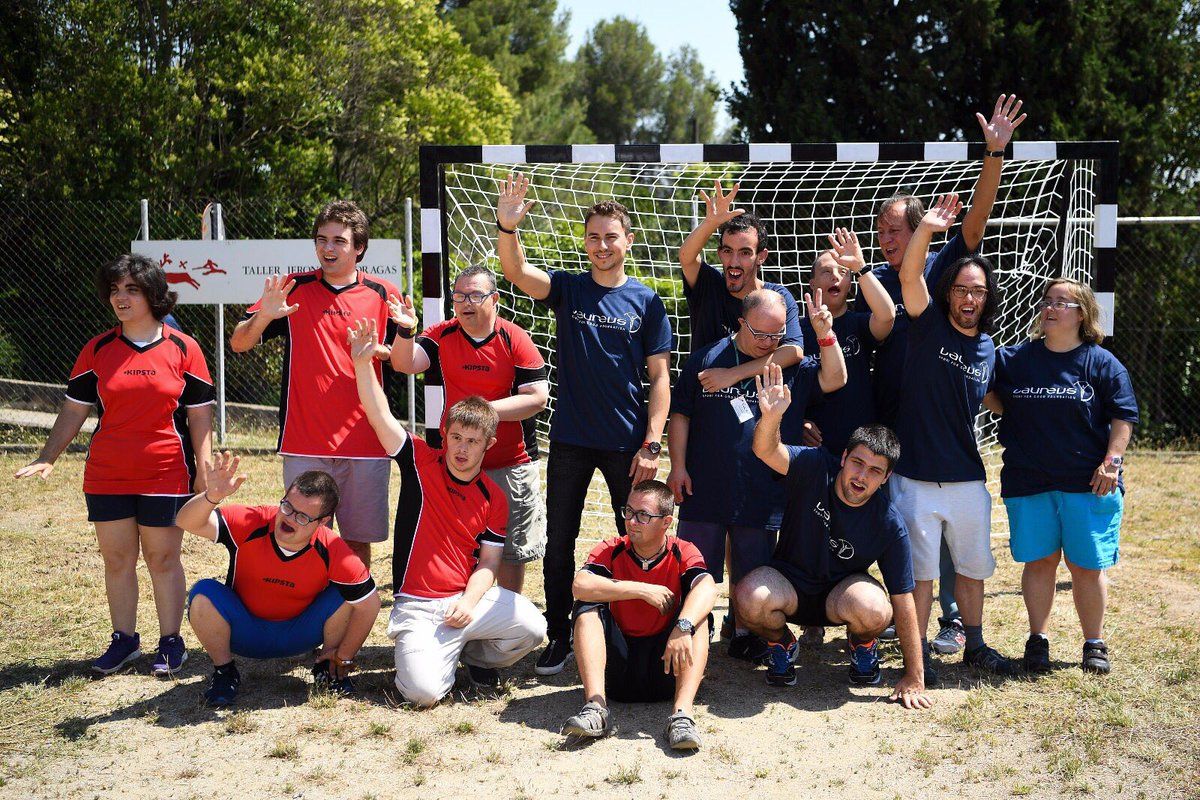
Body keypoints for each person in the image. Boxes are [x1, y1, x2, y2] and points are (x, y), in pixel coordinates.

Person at [856, 95, 1027, 653]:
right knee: (911, 537)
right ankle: (894, 622)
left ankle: (959, 626)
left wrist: (993, 154)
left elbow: (976, 219)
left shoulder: (941, 274)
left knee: (956, 522)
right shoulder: (875, 277)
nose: (886, 240)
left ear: (918, 230)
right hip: (891, 420)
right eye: (880, 232)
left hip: (944, 430)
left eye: (894, 231)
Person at [495, 173, 673, 676]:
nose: (601, 245)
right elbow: (518, 273)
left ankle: (629, 630)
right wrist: (508, 229)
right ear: (585, 241)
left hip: (627, 445)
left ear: (627, 241)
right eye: (593, 236)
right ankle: (559, 635)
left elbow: (660, 380)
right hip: (571, 440)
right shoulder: (569, 289)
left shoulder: (646, 301)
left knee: (636, 537)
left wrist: (652, 443)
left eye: (610, 236)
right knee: (560, 541)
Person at [15, 254, 214, 677]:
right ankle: (124, 641)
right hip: (107, 474)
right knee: (117, 560)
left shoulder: (184, 348)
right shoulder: (98, 348)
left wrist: (204, 466)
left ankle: (170, 642)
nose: (120, 298)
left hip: (165, 471)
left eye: (132, 289)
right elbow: (74, 410)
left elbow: (199, 415)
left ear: (153, 295)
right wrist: (46, 457)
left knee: (163, 559)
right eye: (114, 290)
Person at [350, 318, 546, 705]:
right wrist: (361, 365)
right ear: (445, 433)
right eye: (455, 437)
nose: (461, 448)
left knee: (532, 627)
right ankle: (435, 657)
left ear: (488, 445)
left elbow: (489, 563)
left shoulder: (494, 496)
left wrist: (469, 603)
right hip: (420, 604)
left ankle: (470, 654)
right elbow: (379, 415)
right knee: (422, 695)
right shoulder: (420, 463)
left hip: (465, 601)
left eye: (472, 441)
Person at [667, 289, 845, 662]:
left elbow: (835, 379)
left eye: (776, 335)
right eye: (759, 334)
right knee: (695, 569)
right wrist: (678, 466)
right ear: (740, 323)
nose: (768, 343)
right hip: (704, 489)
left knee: (752, 576)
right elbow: (681, 413)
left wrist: (825, 335)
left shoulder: (790, 366)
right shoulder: (708, 358)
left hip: (762, 492)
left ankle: (746, 633)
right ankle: (692, 628)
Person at [738, 371, 930, 710]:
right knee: (748, 596)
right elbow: (766, 450)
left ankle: (861, 644)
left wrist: (914, 675)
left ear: (885, 479)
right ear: (843, 459)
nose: (862, 476)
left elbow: (903, 598)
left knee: (875, 609)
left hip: (841, 596)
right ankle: (782, 644)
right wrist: (772, 418)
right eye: (857, 463)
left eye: (874, 471)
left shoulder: (888, 523)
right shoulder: (814, 466)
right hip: (790, 585)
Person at [229, 200, 399, 569]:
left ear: (360, 248)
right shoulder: (294, 288)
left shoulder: (384, 294)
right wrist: (263, 318)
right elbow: (238, 343)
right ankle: (307, 614)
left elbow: (404, 360)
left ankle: (354, 615)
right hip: (305, 440)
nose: (328, 248)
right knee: (302, 538)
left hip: (366, 441)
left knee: (356, 545)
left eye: (339, 240)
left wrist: (383, 352)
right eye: (321, 240)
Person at [890, 193, 1017, 680]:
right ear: (949, 294)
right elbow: (909, 277)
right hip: (916, 478)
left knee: (971, 568)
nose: (969, 298)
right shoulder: (927, 327)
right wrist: (926, 230)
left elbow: (1000, 400)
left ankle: (976, 645)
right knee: (921, 575)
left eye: (978, 291)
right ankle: (917, 659)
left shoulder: (989, 349)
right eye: (962, 289)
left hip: (967, 477)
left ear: (987, 299)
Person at [984, 279, 1138, 674]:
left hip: (1087, 484)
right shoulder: (1015, 359)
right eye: (1047, 301)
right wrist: (1007, 409)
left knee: (1086, 567)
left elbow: (1124, 415)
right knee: (1039, 562)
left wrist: (1112, 462)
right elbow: (989, 392)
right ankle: (1038, 639)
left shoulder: (1101, 362)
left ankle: (1094, 643)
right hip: (1029, 481)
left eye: (1062, 303)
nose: (1051, 308)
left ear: (1082, 313)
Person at [388, 265, 549, 595]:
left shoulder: (514, 338)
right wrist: (405, 331)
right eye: (459, 295)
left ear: (495, 299)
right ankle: (461, 615)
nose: (466, 302)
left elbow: (537, 399)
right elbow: (404, 364)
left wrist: (481, 415)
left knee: (510, 552)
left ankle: (505, 623)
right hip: (457, 462)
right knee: (460, 544)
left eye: (476, 295)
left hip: (510, 462)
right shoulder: (442, 333)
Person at [177, 454, 381, 706]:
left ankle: (327, 670)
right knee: (203, 592)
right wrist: (211, 496)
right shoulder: (254, 522)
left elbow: (370, 604)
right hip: (245, 632)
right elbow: (185, 521)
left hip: (301, 634)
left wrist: (344, 654)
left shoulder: (332, 548)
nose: (289, 519)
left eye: (303, 517)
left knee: (346, 594)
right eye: (287, 507)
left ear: (323, 522)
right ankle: (224, 672)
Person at [562, 480, 718, 749]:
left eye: (643, 515)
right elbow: (580, 585)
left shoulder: (683, 550)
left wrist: (683, 626)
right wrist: (642, 589)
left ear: (666, 522)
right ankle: (596, 709)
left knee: (698, 617)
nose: (632, 521)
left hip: (666, 665)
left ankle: (682, 716)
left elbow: (707, 586)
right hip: (618, 672)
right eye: (629, 512)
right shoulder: (611, 549)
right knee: (587, 606)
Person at [678, 180, 804, 363]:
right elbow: (686, 257)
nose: (734, 262)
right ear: (719, 253)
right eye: (728, 251)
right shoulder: (709, 284)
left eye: (745, 253)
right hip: (704, 389)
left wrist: (734, 375)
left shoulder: (777, 297)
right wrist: (710, 223)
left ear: (761, 256)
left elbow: (793, 351)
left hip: (760, 391)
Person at [800, 228, 896, 458]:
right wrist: (797, 421)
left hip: (858, 450)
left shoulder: (859, 324)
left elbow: (887, 316)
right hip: (813, 450)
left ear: (851, 284)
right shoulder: (796, 330)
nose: (835, 276)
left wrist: (860, 268)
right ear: (812, 283)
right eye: (826, 271)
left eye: (842, 272)